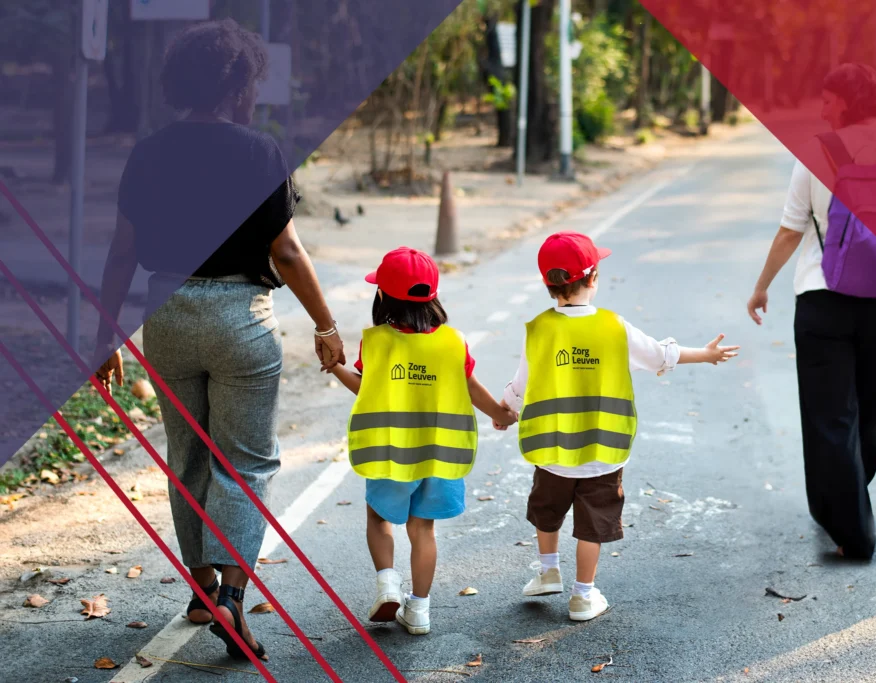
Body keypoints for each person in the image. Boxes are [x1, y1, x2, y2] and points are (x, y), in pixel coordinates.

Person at [92, 19, 344, 661]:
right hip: (239, 316)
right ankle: (232, 598)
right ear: (237, 86)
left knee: (189, 459)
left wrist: (105, 338)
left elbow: (121, 253)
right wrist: (326, 323)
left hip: (167, 313)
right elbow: (285, 250)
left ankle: (203, 591)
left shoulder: (147, 152)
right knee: (247, 461)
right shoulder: (259, 152)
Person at [746, 63, 876, 560]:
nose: (821, 108)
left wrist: (761, 288)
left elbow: (790, 231)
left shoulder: (817, 152)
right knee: (868, 409)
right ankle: (842, 507)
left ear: (847, 101)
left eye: (828, 99)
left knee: (827, 417)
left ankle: (853, 529)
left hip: (822, 301)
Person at [498, 231, 738, 621]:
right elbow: (661, 355)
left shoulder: (540, 329)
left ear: (548, 284)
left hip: (553, 449)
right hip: (602, 450)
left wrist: (503, 410)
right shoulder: (614, 326)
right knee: (592, 525)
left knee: (547, 509)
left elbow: (520, 385)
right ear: (592, 278)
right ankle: (583, 594)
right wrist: (706, 355)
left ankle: (547, 571)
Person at [331, 247, 518, 635]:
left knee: (379, 517)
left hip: (390, 453)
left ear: (382, 296)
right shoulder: (453, 342)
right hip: (440, 456)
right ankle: (419, 610)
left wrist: (334, 366)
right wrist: (501, 415)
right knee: (423, 530)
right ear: (433, 296)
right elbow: (471, 388)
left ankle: (387, 584)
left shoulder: (376, 342)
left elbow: (364, 390)